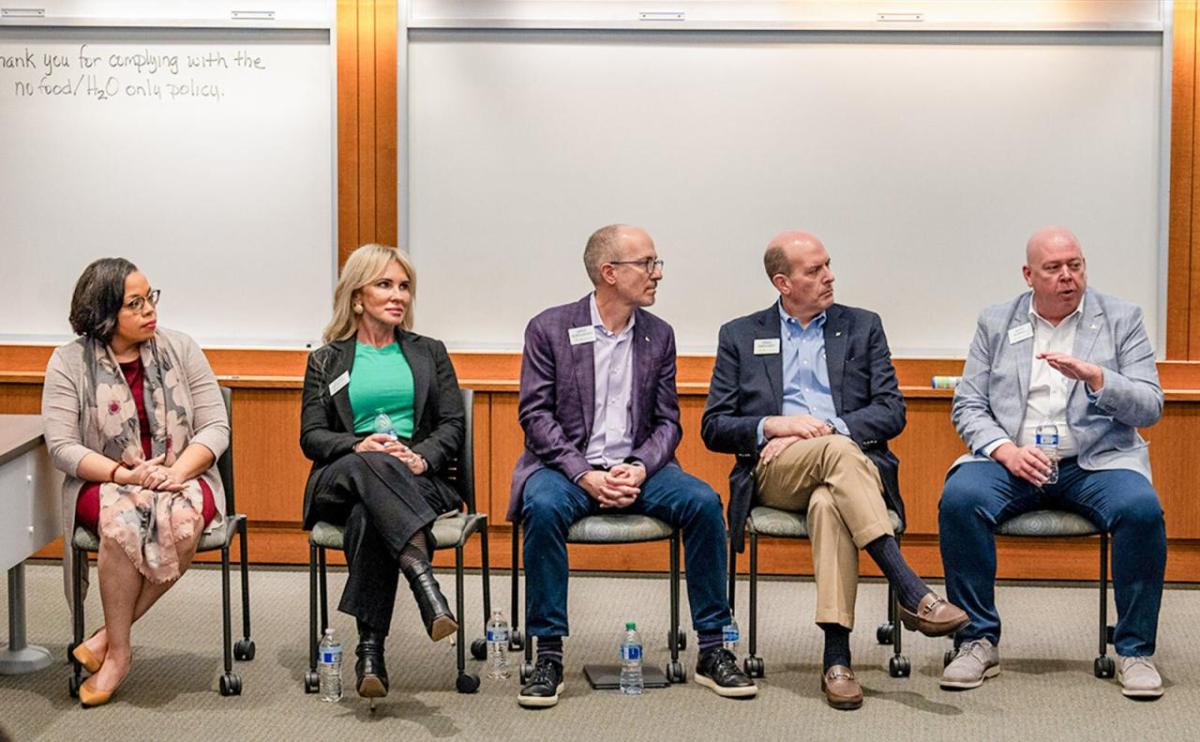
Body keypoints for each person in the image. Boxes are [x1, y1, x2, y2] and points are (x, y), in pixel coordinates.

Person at [701, 231, 967, 710]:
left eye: (828, 265)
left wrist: (826, 428)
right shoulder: (741, 334)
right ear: (783, 282)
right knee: (838, 454)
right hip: (775, 472)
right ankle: (910, 587)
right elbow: (715, 427)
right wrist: (775, 424)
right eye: (814, 270)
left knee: (830, 500)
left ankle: (837, 659)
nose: (829, 276)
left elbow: (891, 410)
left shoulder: (862, 327)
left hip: (844, 471)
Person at [509, 224, 757, 708]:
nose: (657, 273)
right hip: (567, 469)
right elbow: (534, 417)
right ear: (609, 273)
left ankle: (713, 649)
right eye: (646, 263)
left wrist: (640, 467)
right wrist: (585, 473)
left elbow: (668, 421)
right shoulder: (549, 328)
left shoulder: (658, 335)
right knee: (541, 509)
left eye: (655, 263)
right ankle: (549, 655)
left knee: (704, 503)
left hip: (640, 468)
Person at [939, 226, 1166, 698]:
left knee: (1142, 509)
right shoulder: (996, 322)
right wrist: (1006, 451)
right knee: (960, 499)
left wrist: (1100, 378)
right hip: (1014, 460)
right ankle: (976, 640)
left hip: (1095, 461)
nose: (1068, 277)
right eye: (1054, 268)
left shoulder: (1122, 318)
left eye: (1075, 265)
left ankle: (1135, 650)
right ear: (1029, 275)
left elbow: (1150, 406)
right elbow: (968, 405)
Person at [42, 258, 230, 708]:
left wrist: (177, 472)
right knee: (124, 526)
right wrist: (123, 474)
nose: (150, 310)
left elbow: (216, 427)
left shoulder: (181, 349)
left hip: (182, 476)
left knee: (182, 521)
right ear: (105, 313)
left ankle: (108, 640)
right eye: (135, 303)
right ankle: (121, 652)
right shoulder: (69, 362)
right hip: (106, 482)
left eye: (151, 298)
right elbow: (62, 446)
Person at [300, 243, 465, 701]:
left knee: (371, 516)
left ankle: (370, 652)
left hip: (415, 478)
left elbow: (453, 424)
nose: (399, 296)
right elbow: (311, 436)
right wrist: (357, 443)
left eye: (405, 286)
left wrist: (422, 458)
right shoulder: (326, 360)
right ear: (357, 297)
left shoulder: (429, 353)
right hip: (343, 473)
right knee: (369, 463)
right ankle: (423, 581)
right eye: (385, 284)